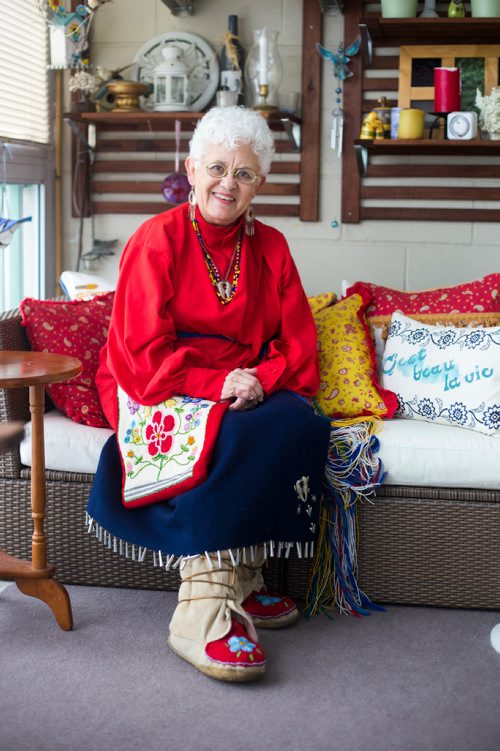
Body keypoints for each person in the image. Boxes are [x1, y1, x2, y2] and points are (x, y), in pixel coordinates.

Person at [87, 106, 331, 683]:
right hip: (158, 376)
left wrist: (260, 380)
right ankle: (200, 612)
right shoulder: (157, 240)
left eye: (244, 174)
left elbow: (298, 345)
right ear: (192, 170)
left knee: (296, 420)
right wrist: (215, 383)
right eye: (217, 168)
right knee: (232, 429)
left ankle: (243, 582)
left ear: (260, 184)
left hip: (245, 379)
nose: (229, 183)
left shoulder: (270, 246)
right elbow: (139, 353)